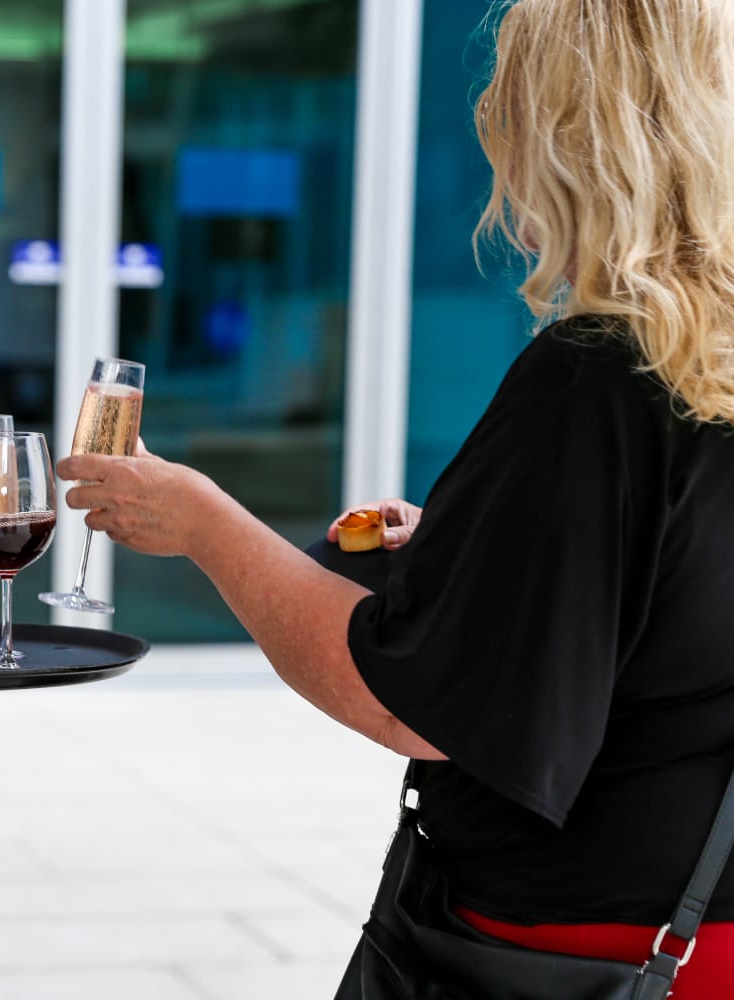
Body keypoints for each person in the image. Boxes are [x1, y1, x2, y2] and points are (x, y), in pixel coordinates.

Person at [60, 1, 734, 994]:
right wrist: (475, 548)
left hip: (572, 956)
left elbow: (424, 709)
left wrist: (203, 520)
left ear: (564, 130)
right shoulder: (707, 359)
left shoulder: (599, 376)